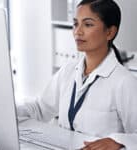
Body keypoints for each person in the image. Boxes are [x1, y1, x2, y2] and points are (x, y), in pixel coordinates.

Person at [17, 0, 137, 149]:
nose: (77, 32)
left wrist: (118, 141)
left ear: (110, 32)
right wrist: (9, 112)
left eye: (87, 24)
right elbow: (41, 109)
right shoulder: (68, 70)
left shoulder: (124, 82)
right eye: (75, 24)